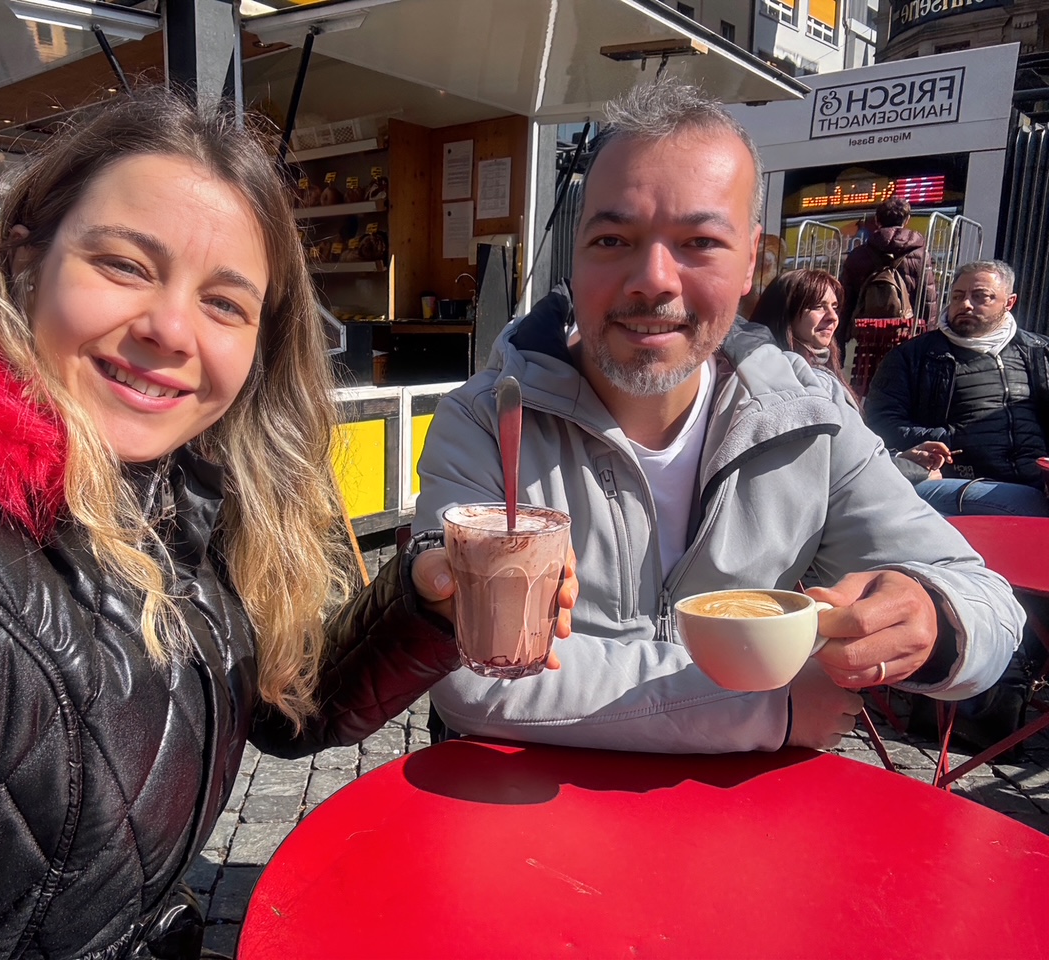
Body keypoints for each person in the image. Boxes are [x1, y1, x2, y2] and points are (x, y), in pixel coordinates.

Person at [0, 88, 578, 956]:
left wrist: (426, 606)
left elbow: (279, 711)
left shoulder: (184, 499)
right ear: (27, 258)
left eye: (225, 303)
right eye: (124, 265)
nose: (170, 329)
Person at [413, 79, 1020, 755]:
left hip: (738, 813)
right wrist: (762, 707)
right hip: (516, 806)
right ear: (575, 256)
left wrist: (932, 617)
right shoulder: (485, 421)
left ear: (751, 262)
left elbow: (986, 605)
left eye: (699, 241)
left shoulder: (809, 421)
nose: (653, 278)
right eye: (612, 239)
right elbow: (471, 670)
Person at [865, 260, 1049, 518]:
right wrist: (951, 439)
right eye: (958, 296)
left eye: (980, 296)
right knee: (1030, 505)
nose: (966, 304)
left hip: (1037, 480)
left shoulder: (1039, 352)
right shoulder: (913, 357)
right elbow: (880, 424)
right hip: (957, 480)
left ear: (1009, 302)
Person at [836, 195, 937, 348]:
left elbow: (845, 302)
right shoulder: (921, 255)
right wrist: (929, 340)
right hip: (905, 333)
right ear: (907, 220)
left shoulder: (858, 255)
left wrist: (839, 345)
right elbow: (928, 299)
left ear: (877, 221)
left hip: (866, 335)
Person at [747, 268, 848, 385]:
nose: (833, 317)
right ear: (785, 313)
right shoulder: (762, 375)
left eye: (835, 308)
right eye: (818, 307)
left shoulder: (828, 372)